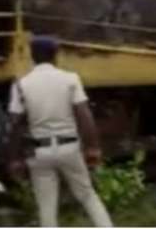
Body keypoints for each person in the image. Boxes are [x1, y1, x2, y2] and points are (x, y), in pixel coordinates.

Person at [8, 36, 112, 227]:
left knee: (46, 206)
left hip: (39, 151)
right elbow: (84, 115)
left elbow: (15, 124)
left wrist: (14, 158)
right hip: (69, 147)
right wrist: (92, 147)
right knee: (87, 195)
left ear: (32, 56)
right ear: (55, 55)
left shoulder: (21, 85)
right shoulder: (70, 79)